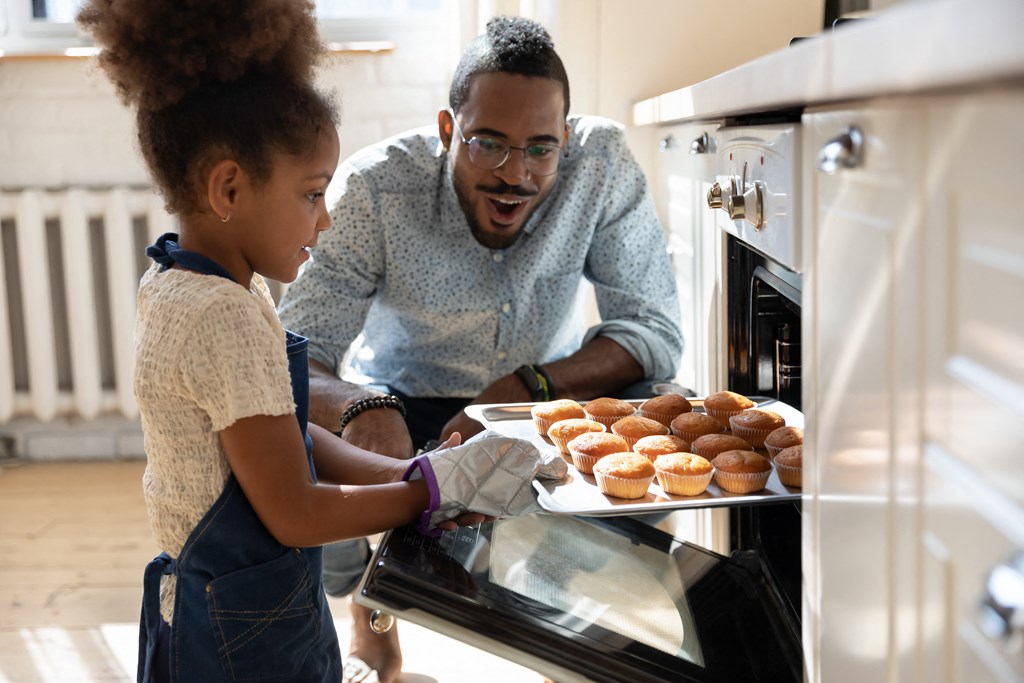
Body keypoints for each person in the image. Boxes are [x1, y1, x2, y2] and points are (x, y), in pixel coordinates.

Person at [75, 2, 564, 682]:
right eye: (312, 193)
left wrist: (410, 474)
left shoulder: (185, 281)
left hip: (223, 597)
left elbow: (285, 436)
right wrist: (432, 491)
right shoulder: (226, 315)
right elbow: (295, 508)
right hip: (243, 631)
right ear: (228, 187)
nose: (327, 217)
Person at [277, 15, 684, 683]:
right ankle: (372, 614)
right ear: (448, 131)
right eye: (488, 143)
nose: (514, 174)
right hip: (398, 408)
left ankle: (569, 618)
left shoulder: (601, 164)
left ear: (568, 139)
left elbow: (652, 330)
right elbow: (295, 353)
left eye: (540, 149)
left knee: (665, 406)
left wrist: (526, 387)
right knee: (287, 438)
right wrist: (361, 405)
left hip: (539, 402)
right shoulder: (373, 190)